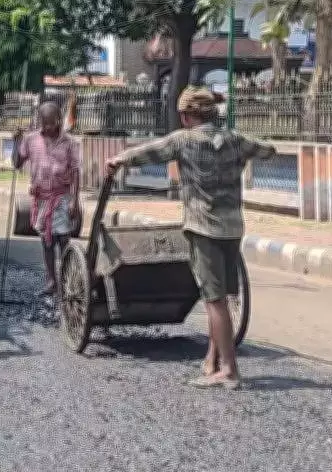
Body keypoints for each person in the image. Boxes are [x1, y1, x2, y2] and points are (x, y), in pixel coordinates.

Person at [106, 86, 276, 390]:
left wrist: (118, 160)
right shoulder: (235, 140)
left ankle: (229, 370)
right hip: (233, 228)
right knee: (220, 297)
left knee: (214, 300)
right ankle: (212, 359)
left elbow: (148, 152)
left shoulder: (183, 141)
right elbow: (267, 150)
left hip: (203, 229)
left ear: (186, 116)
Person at [13, 101, 81, 297]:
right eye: (43, 123)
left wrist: (74, 200)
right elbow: (17, 164)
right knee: (46, 241)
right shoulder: (31, 140)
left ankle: (68, 281)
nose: (46, 127)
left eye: (49, 123)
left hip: (61, 196)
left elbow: (76, 172)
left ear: (58, 121)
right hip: (41, 198)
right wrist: (16, 142)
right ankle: (51, 281)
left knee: (63, 240)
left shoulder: (69, 143)